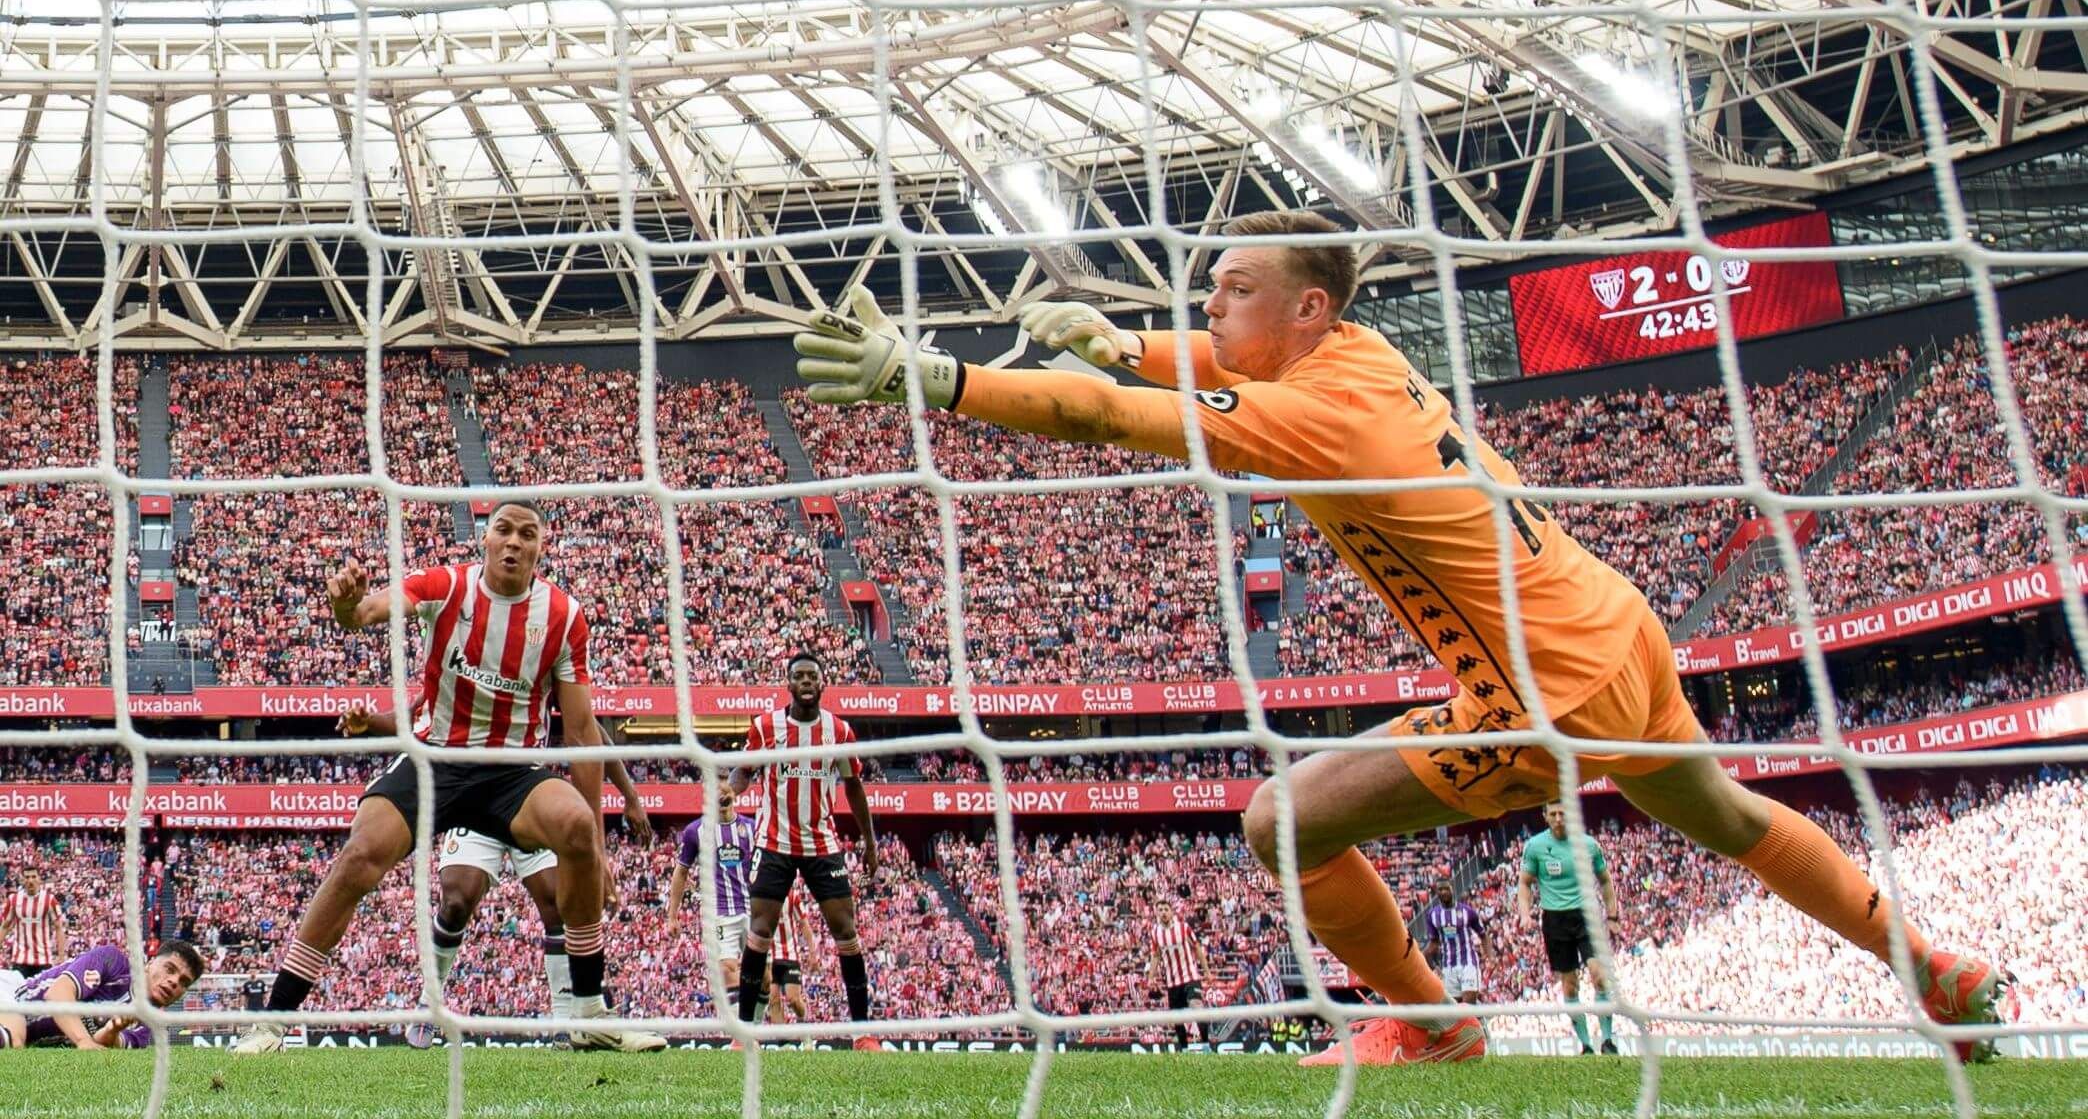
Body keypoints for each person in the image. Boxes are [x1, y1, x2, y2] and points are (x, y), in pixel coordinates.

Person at [792, 209, 2003, 1067]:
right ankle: (1931, 968)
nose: (1210, 306)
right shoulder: (1360, 355)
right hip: (1613, 623)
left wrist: (936, 377)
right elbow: (1194, 364)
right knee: (1733, 821)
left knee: (1282, 821)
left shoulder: (1311, 419)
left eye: (1235, 287)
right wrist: (1126, 337)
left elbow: (1109, 420)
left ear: (1308, 304)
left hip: (1547, 689)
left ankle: (1434, 1025)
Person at [230, 501, 663, 1053]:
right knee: (361, 855)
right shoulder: (445, 586)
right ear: (485, 540)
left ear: (540, 548)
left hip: (513, 773)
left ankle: (589, 1014)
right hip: (435, 761)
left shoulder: (563, 616)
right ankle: (272, 1020)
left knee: (578, 826)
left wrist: (598, 852)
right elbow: (365, 613)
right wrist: (344, 606)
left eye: (526, 535)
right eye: (502, 530)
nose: (513, 543)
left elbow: (580, 732)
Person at [335, 701, 658, 1049]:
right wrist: (369, 722)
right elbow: (415, 718)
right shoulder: (462, 656)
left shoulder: (540, 655)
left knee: (556, 903)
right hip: (474, 794)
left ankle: (566, 1025)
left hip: (526, 794)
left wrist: (630, 795)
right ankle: (429, 1004)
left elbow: (588, 731)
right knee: (457, 900)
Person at [726, 653, 883, 1050]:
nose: (807, 681)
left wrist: (869, 840)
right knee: (759, 932)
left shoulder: (840, 732)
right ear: (788, 684)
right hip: (773, 841)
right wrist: (731, 788)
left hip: (821, 843)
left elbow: (853, 787)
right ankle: (745, 1034)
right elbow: (744, 770)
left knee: (846, 930)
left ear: (823, 683)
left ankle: (862, 1032)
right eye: (799, 676)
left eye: (813, 675)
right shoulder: (766, 728)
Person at [1517, 807, 1617, 1053]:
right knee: (1570, 984)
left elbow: (1605, 880)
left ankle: (1607, 1040)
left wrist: (1613, 915)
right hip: (1555, 919)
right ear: (1545, 816)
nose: (1559, 819)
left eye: (1563, 813)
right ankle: (1585, 1044)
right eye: (1553, 814)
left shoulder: (1589, 845)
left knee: (1599, 975)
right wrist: (1524, 913)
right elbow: (1525, 883)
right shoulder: (1535, 846)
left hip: (1586, 915)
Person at [0, 940, 202, 1049]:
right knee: (14, 1037)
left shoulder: (147, 1028)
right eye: (170, 969)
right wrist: (82, 1040)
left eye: (184, 982)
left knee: (18, 1044)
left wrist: (112, 1030)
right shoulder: (114, 962)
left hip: (31, 1039)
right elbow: (58, 994)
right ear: (150, 963)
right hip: (13, 994)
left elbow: (103, 1042)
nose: (174, 981)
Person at [666, 785, 758, 1018]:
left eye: (726, 790)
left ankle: (753, 1027)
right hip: (720, 914)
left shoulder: (752, 828)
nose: (722, 795)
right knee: (727, 968)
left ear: (734, 793)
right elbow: (681, 872)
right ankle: (742, 1034)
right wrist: (672, 915)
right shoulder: (695, 831)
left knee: (763, 975)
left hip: (754, 911)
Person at [1148, 898, 1209, 1047]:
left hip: (1190, 976)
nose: (1163, 913)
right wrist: (1151, 977)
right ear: (1157, 913)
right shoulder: (1155, 933)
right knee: (1177, 1018)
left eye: (1166, 909)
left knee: (1197, 1006)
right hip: (1172, 981)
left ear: (1171, 912)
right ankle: (1184, 1050)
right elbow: (1155, 955)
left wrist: (1207, 971)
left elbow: (1197, 948)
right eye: (1160, 910)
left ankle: (1206, 1046)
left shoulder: (1183, 928)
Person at [1417, 879, 1487, 1008]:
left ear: (1452, 889)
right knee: (1454, 1012)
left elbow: (1483, 934)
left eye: (1446, 888)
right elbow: (1433, 943)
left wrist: (1490, 956)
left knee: (1467, 1007)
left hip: (1468, 964)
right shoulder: (1432, 915)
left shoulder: (1467, 911)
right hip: (1448, 968)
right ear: (1436, 893)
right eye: (1440, 889)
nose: (1444, 892)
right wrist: (1429, 964)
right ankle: (1477, 1023)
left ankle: (1479, 1025)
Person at [0, 865, 68, 977]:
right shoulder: (14, 900)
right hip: (20, 960)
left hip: (43, 960)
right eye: (27, 877)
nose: (30, 880)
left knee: (42, 994)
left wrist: (61, 956)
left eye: (33, 876)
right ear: (22, 880)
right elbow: (5, 926)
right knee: (18, 993)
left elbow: (59, 928)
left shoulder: (49, 900)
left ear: (39, 879)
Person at [764, 888, 813, 1035]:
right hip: (770, 957)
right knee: (773, 1000)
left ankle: (805, 1030)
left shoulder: (792, 896)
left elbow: (804, 924)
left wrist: (812, 953)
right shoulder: (762, 895)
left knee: (793, 1000)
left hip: (790, 955)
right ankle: (783, 1042)